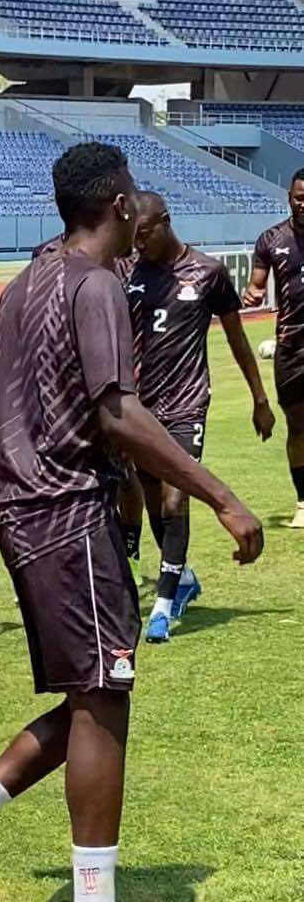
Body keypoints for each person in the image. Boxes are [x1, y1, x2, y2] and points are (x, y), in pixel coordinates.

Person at [0, 142, 262, 902]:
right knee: (106, 699)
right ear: (119, 204)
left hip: (26, 508)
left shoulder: (25, 284)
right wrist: (222, 497)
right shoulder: (97, 286)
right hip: (66, 513)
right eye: (133, 197)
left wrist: (32, 450)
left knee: (96, 693)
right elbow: (122, 414)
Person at [120, 192, 273, 643]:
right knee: (153, 504)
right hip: (140, 408)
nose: (138, 243)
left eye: (144, 234)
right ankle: (182, 580)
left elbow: (238, 339)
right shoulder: (128, 270)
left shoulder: (207, 272)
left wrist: (259, 399)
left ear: (166, 222)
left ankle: (163, 607)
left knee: (174, 500)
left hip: (187, 404)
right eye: (132, 236)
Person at [244, 170, 304, 528]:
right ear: (289, 197)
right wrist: (252, 294)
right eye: (299, 197)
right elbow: (256, 284)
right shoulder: (271, 239)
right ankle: (303, 501)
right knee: (298, 426)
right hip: (292, 349)